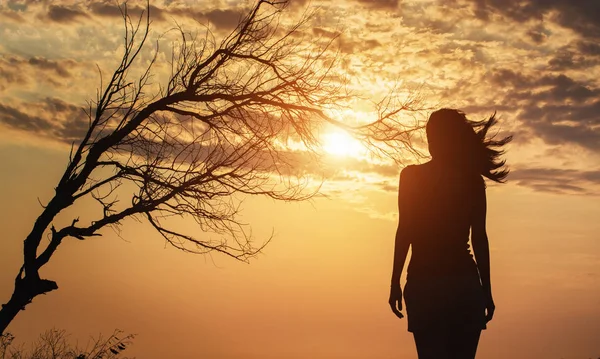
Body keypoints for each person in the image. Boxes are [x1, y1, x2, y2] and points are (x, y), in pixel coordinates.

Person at [388, 109, 512, 359]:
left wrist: (394, 283)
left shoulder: (411, 176)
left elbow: (405, 231)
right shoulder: (471, 181)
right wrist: (486, 290)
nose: (430, 142)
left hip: (426, 285)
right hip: (462, 286)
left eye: (433, 136)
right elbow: (479, 239)